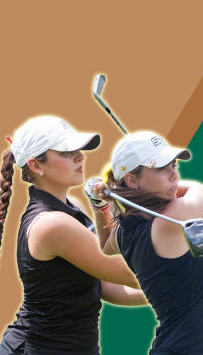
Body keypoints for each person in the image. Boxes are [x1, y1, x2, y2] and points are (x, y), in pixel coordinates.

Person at [0, 116, 146, 355]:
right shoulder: (53, 224)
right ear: (36, 166)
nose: (80, 156)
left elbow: (103, 285)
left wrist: (164, 296)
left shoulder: (72, 206)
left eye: (78, 150)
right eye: (67, 152)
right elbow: (132, 272)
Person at [95, 131, 203, 355]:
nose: (174, 175)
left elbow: (105, 244)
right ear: (132, 180)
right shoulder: (170, 221)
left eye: (173, 165)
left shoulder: (126, 229)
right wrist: (116, 191)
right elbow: (199, 190)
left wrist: (102, 201)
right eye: (162, 168)